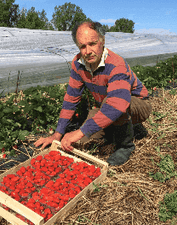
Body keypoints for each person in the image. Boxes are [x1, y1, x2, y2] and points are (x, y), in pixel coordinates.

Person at [34, 21, 152, 166]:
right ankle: (112, 130)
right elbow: (71, 99)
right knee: (79, 143)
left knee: (112, 104)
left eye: (92, 43)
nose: (88, 51)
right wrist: (57, 135)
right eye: (82, 46)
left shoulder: (116, 64)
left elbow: (118, 105)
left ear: (102, 41)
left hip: (136, 104)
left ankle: (125, 146)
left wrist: (79, 131)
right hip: (104, 107)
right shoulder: (78, 64)